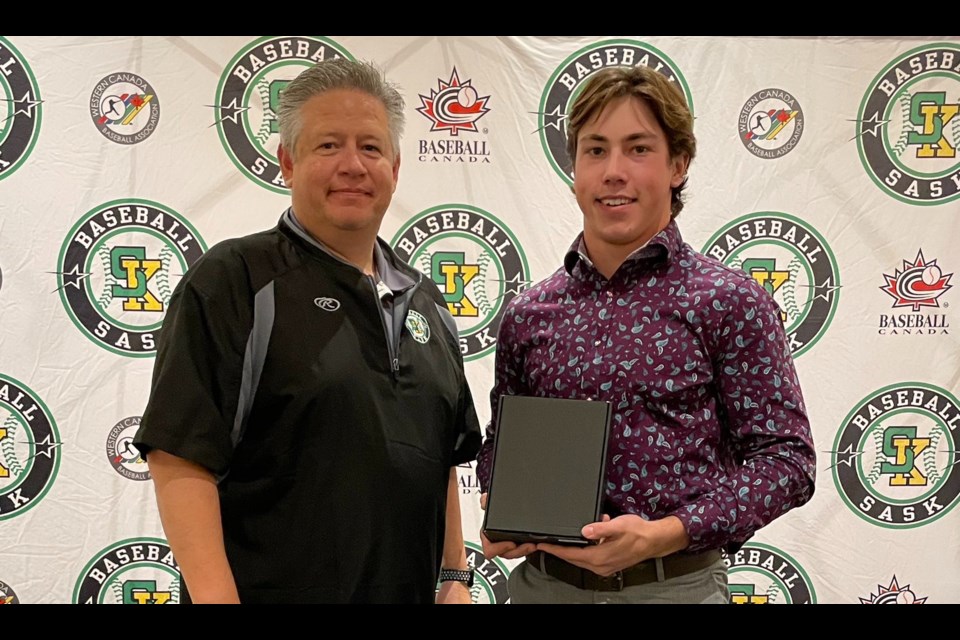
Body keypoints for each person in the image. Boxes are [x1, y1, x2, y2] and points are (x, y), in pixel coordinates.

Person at [134, 59, 481, 604]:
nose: (352, 165)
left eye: (370, 147)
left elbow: (439, 458)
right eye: (327, 146)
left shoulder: (429, 303)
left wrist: (455, 579)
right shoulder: (234, 280)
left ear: (395, 166)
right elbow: (180, 455)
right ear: (287, 163)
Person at [476, 66, 816, 604]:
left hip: (676, 588)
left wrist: (665, 533)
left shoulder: (729, 302)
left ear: (678, 165)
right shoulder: (528, 313)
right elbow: (501, 444)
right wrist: (505, 507)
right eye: (595, 150)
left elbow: (787, 462)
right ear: (575, 169)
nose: (614, 172)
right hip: (546, 589)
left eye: (637, 149)